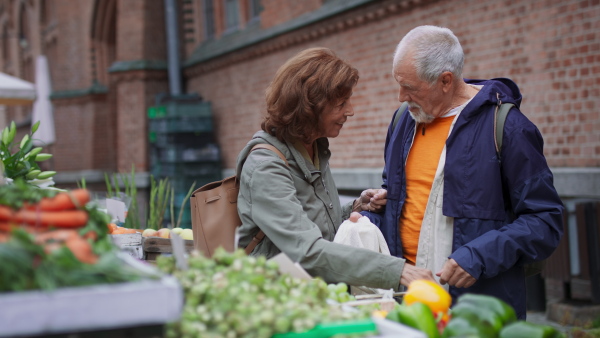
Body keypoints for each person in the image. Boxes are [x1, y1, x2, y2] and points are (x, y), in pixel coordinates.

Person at [362, 25, 564, 319]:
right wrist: (368, 215)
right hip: (408, 304)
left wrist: (480, 255)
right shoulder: (402, 121)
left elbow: (545, 220)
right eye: (399, 84)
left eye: (410, 87)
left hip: (477, 310)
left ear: (446, 80)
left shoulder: (508, 128)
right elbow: (398, 203)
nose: (400, 96)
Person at [235, 47, 435, 291]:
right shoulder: (265, 167)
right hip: (276, 300)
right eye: (341, 103)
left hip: (315, 293)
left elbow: (312, 221)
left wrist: (356, 206)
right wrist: (398, 270)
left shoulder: (314, 147)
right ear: (310, 107)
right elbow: (307, 250)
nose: (350, 111)